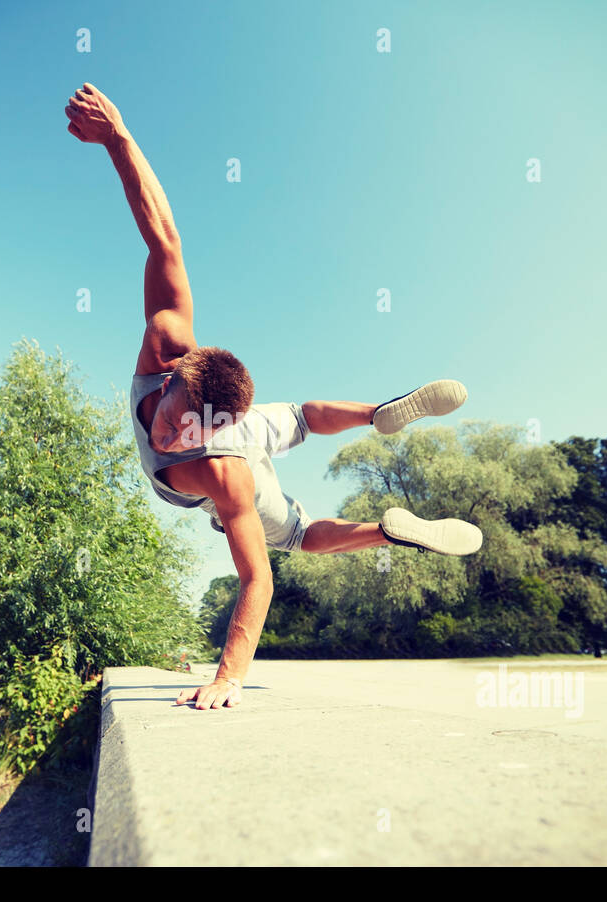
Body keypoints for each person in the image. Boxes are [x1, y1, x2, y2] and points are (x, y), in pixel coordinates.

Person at [65, 83, 482, 710]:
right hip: (248, 423)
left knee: (298, 535)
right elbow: (164, 238)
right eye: (177, 422)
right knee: (302, 420)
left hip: (242, 452)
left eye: (191, 435)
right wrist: (118, 138)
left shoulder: (223, 471)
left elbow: (256, 579)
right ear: (174, 370)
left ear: (216, 429)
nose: (173, 438)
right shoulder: (165, 341)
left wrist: (228, 675)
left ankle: (385, 472)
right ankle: (381, 462)